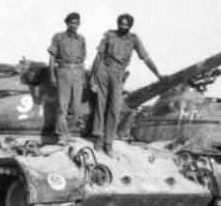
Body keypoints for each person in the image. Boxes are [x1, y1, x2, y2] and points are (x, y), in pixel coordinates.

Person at [90, 13, 162, 156]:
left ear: (130, 26)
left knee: (115, 109)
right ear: (118, 24)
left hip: (118, 73)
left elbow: (145, 57)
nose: (123, 26)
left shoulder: (134, 40)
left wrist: (158, 74)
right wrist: (93, 78)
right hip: (104, 70)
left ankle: (108, 142)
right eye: (121, 24)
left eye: (126, 25)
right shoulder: (109, 36)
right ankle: (98, 138)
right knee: (100, 106)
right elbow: (98, 56)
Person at [48, 12, 87, 144]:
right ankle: (61, 135)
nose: (74, 25)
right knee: (62, 105)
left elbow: (82, 60)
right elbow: (52, 57)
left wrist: (82, 76)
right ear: (67, 23)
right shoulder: (58, 37)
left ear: (79, 24)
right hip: (63, 71)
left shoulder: (81, 39)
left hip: (77, 72)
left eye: (76, 23)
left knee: (75, 106)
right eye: (71, 22)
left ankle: (68, 131)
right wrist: (52, 75)